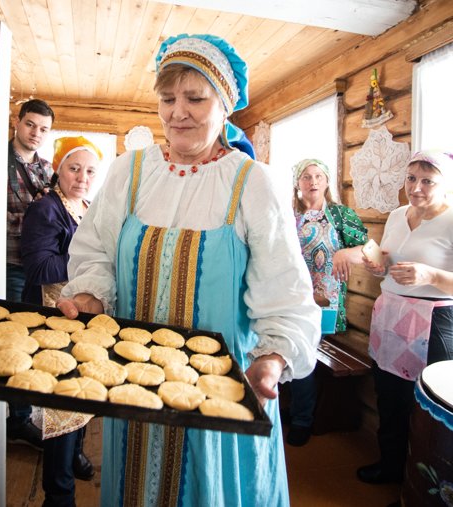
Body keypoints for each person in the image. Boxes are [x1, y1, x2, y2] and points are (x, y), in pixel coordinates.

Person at [57, 34, 321, 506]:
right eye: (167, 98)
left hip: (221, 392)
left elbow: (285, 288)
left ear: (224, 106)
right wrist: (92, 295)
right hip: (133, 384)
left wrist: (272, 357)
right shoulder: (129, 172)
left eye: (195, 98)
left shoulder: (251, 182)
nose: (177, 112)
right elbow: (94, 249)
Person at [357, 149, 453, 485]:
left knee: (426, 406)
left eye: (428, 181)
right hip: (391, 314)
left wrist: (431, 276)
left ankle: (422, 485)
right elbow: (386, 259)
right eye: (412, 178)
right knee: (389, 395)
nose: (417, 187)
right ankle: (390, 466)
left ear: (446, 185)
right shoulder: (398, 215)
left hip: (434, 322)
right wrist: (376, 265)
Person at [21, 136, 102, 506]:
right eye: (74, 168)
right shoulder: (46, 209)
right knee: (60, 402)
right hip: (52, 315)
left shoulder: (85, 206)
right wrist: (89, 261)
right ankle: (58, 490)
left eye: (89, 170)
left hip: (81, 315)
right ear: (58, 169)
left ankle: (74, 456)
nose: (82, 177)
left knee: (81, 390)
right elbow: (38, 267)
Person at [286, 159, 368, 446]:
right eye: (306, 176)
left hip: (324, 303)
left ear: (327, 181)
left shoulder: (340, 215)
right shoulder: (287, 215)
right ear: (298, 183)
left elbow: (369, 248)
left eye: (318, 175)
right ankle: (292, 410)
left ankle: (302, 419)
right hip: (288, 298)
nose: (313, 181)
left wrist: (347, 254)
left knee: (303, 354)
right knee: (287, 350)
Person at [6, 98, 55, 450]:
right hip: (10, 264)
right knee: (13, 341)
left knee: (36, 338)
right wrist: (38, 222)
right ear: (17, 122)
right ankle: (18, 420)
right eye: (31, 125)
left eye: (43, 129)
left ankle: (20, 413)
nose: (36, 133)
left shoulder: (48, 168)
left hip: (39, 267)